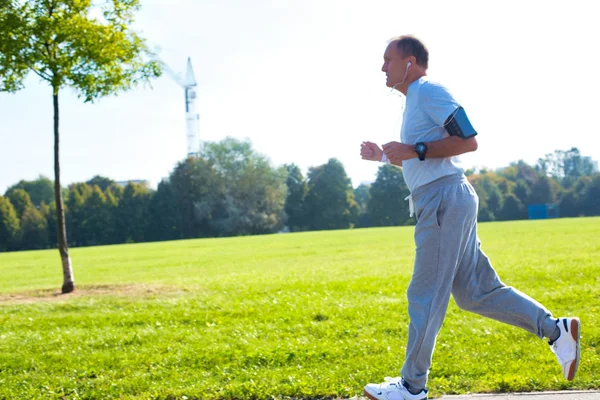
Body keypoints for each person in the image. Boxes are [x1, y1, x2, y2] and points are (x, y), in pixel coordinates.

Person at [359, 35, 581, 400]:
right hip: (446, 199)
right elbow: (425, 156)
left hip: (444, 201)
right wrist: (385, 157)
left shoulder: (428, 90)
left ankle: (412, 386)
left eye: (387, 59)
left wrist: (413, 149)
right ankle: (556, 331)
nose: (383, 67)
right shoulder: (415, 100)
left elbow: (468, 139)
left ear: (409, 62)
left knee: (425, 293)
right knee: (477, 292)